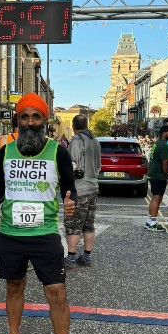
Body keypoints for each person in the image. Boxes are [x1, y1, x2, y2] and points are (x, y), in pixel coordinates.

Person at [0, 93, 79, 334]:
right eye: (24, 117)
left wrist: (71, 202)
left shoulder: (57, 152)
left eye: (35, 117)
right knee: (14, 286)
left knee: (57, 293)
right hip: (10, 234)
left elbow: (70, 189)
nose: (29, 122)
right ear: (18, 120)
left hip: (44, 234)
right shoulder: (6, 152)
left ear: (44, 120)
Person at [64, 114, 101, 270]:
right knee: (89, 225)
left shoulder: (76, 141)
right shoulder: (96, 142)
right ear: (86, 125)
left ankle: (70, 260)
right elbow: (99, 166)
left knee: (73, 225)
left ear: (74, 127)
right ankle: (86, 257)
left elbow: (72, 165)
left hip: (79, 189)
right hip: (93, 187)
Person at [145, 125, 168, 232]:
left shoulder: (157, 143)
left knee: (154, 198)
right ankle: (153, 223)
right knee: (157, 199)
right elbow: (165, 165)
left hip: (152, 173)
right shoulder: (164, 146)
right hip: (158, 175)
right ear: (164, 133)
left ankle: (149, 221)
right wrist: (167, 176)